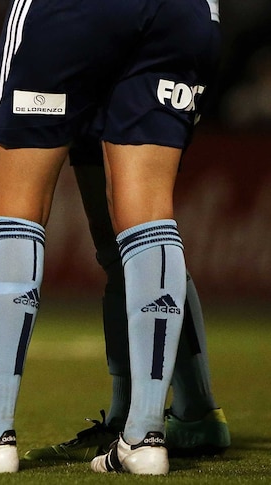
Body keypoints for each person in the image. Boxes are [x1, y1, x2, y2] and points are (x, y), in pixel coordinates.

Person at [0, 0, 221, 475]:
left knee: (13, 204)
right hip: (185, 11)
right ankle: (145, 435)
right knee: (146, 214)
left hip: (76, 12)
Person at [21, 139, 230, 462]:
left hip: (117, 98)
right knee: (130, 248)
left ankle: (149, 418)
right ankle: (194, 409)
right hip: (120, 97)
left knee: (132, 245)